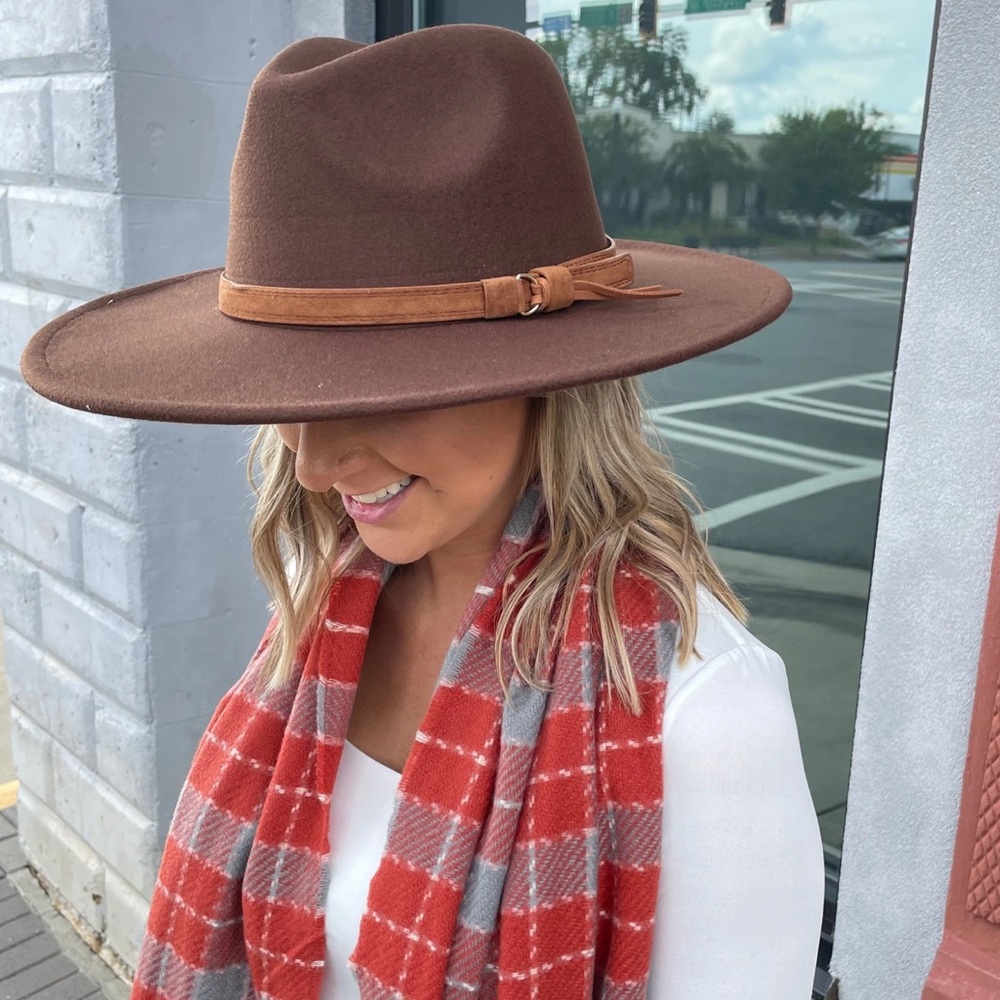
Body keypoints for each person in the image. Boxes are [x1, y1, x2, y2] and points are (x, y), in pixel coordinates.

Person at [21, 23, 825, 1000]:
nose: (313, 464)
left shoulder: (699, 706)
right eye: (294, 387)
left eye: (381, 387)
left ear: (546, 379)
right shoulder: (330, 612)